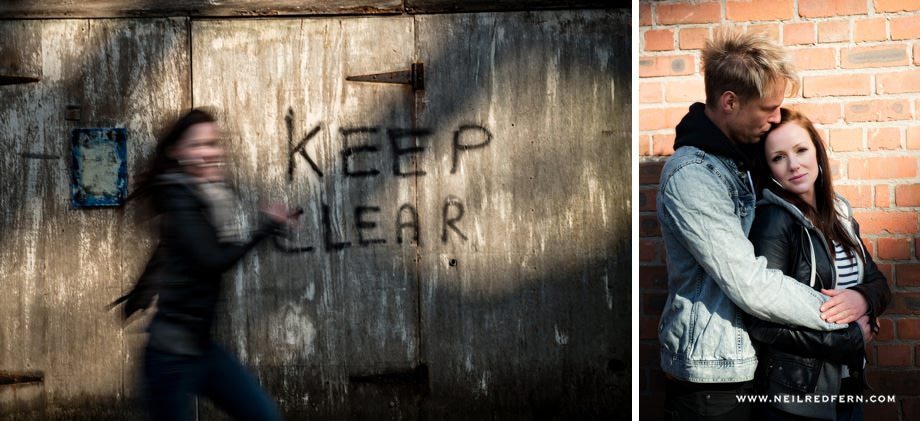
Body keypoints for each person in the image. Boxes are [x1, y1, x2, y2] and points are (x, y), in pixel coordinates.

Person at [656, 30, 852, 420]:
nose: (777, 117)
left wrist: (862, 296)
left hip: (748, 363)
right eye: (769, 108)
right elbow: (748, 281)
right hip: (711, 379)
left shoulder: (741, 161)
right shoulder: (692, 175)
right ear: (730, 102)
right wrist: (840, 316)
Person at [111, 108, 297, 421]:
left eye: (212, 144)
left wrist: (141, 292)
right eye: (196, 145)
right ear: (178, 152)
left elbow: (169, 249)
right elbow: (210, 259)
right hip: (169, 359)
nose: (207, 153)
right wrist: (264, 230)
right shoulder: (177, 197)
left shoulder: (209, 197)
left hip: (201, 348)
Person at [746, 108, 890, 420]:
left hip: (848, 386)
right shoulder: (774, 221)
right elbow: (762, 321)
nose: (794, 165)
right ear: (769, 168)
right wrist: (846, 340)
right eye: (779, 157)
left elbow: (879, 282)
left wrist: (862, 298)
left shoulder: (840, 213)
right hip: (797, 398)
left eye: (801, 150)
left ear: (817, 151)